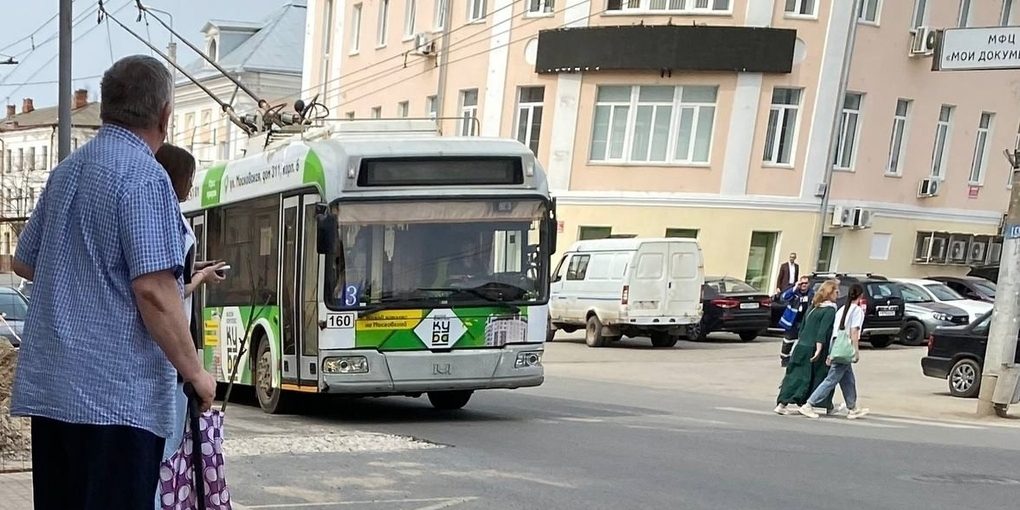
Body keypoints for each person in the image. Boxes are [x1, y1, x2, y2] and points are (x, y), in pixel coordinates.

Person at [10, 55, 217, 509]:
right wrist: (196, 374)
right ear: (165, 115)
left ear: (107, 107)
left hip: (54, 396)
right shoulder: (144, 177)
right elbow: (154, 291)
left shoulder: (66, 171)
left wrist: (81, 278)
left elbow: (24, 263)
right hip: (116, 399)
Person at [153, 143, 226, 507]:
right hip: (171, 349)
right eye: (190, 177)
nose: (191, 185)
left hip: (168, 344)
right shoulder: (171, 221)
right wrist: (198, 279)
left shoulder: (159, 215)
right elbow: (167, 288)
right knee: (169, 444)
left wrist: (198, 269)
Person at [799, 283, 871, 420]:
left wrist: (831, 352)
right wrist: (856, 350)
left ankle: (852, 407)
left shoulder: (842, 309)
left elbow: (834, 331)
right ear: (861, 296)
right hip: (845, 346)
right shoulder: (857, 311)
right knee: (832, 378)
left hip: (836, 344)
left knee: (848, 378)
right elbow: (854, 331)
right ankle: (809, 404)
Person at [775, 280, 839, 415]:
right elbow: (822, 331)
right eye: (836, 291)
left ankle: (782, 403)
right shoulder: (830, 309)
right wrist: (819, 349)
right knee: (819, 376)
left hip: (802, 345)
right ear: (829, 292)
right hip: (814, 348)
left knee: (794, 375)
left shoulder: (813, 306)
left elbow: (802, 327)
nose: (838, 294)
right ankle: (812, 404)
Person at [778, 276, 814, 367]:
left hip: (804, 322)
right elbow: (783, 298)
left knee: (803, 342)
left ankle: (799, 360)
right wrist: (794, 288)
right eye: (802, 283)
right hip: (792, 321)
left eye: (806, 283)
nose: (804, 285)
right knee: (788, 341)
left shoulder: (811, 294)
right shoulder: (794, 293)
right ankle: (784, 359)